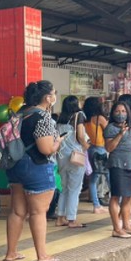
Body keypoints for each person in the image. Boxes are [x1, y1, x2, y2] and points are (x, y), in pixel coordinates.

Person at [3, 81, 60, 261]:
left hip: (15, 166)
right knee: (38, 212)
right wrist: (58, 142)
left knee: (17, 211)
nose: (54, 96)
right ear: (47, 98)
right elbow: (46, 148)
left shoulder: (20, 114)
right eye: (53, 93)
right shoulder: (42, 117)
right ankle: (42, 255)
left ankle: (11, 252)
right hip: (36, 166)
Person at [104, 99, 131, 238]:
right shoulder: (111, 128)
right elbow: (109, 147)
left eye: (123, 111)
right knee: (116, 196)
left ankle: (126, 225)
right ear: (113, 113)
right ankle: (116, 228)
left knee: (129, 196)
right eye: (117, 111)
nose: (120, 114)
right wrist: (120, 134)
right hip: (118, 165)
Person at [56, 95, 89, 229]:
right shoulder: (79, 115)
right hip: (75, 156)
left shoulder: (60, 118)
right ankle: (71, 219)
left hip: (62, 156)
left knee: (64, 188)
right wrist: (85, 146)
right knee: (75, 188)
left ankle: (60, 217)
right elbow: (80, 135)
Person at [83, 96, 108, 213]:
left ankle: (96, 205)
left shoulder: (85, 120)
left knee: (93, 179)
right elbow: (109, 131)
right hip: (101, 150)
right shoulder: (100, 118)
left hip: (90, 150)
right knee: (109, 176)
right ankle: (117, 202)